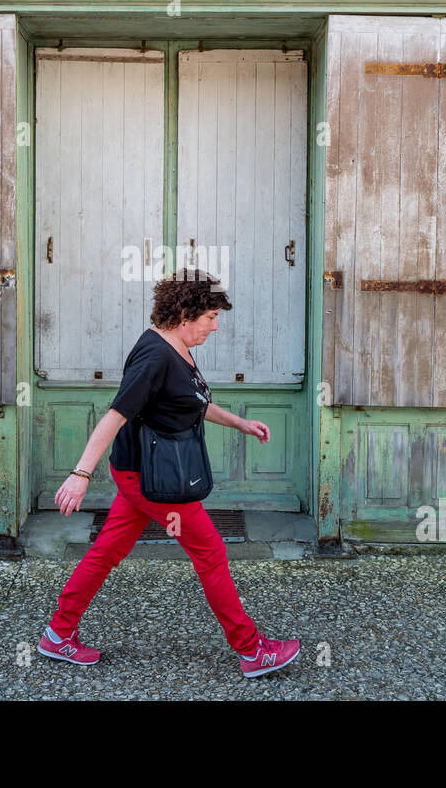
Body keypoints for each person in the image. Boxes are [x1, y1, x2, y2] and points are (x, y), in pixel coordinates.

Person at [37, 267, 301, 678]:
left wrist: (241, 424)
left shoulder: (173, 347)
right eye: (210, 318)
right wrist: (80, 474)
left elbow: (191, 402)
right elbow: (114, 416)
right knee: (211, 552)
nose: (215, 327)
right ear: (184, 315)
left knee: (106, 551)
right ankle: (252, 651)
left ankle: (57, 634)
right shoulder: (156, 357)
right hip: (149, 479)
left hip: (141, 473)